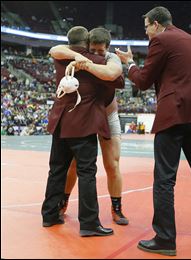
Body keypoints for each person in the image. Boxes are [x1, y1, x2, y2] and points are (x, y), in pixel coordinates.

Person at [116, 6, 191, 256]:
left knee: (164, 178)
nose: (146, 32)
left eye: (147, 26)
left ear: (157, 24)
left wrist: (130, 64)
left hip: (175, 114)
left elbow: (143, 81)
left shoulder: (160, 40)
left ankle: (165, 238)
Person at [41, 26, 123, 237]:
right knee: (87, 173)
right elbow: (116, 78)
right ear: (87, 43)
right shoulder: (94, 61)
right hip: (84, 123)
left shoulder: (61, 58)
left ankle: (50, 215)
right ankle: (88, 224)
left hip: (61, 122)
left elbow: (54, 50)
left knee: (57, 170)